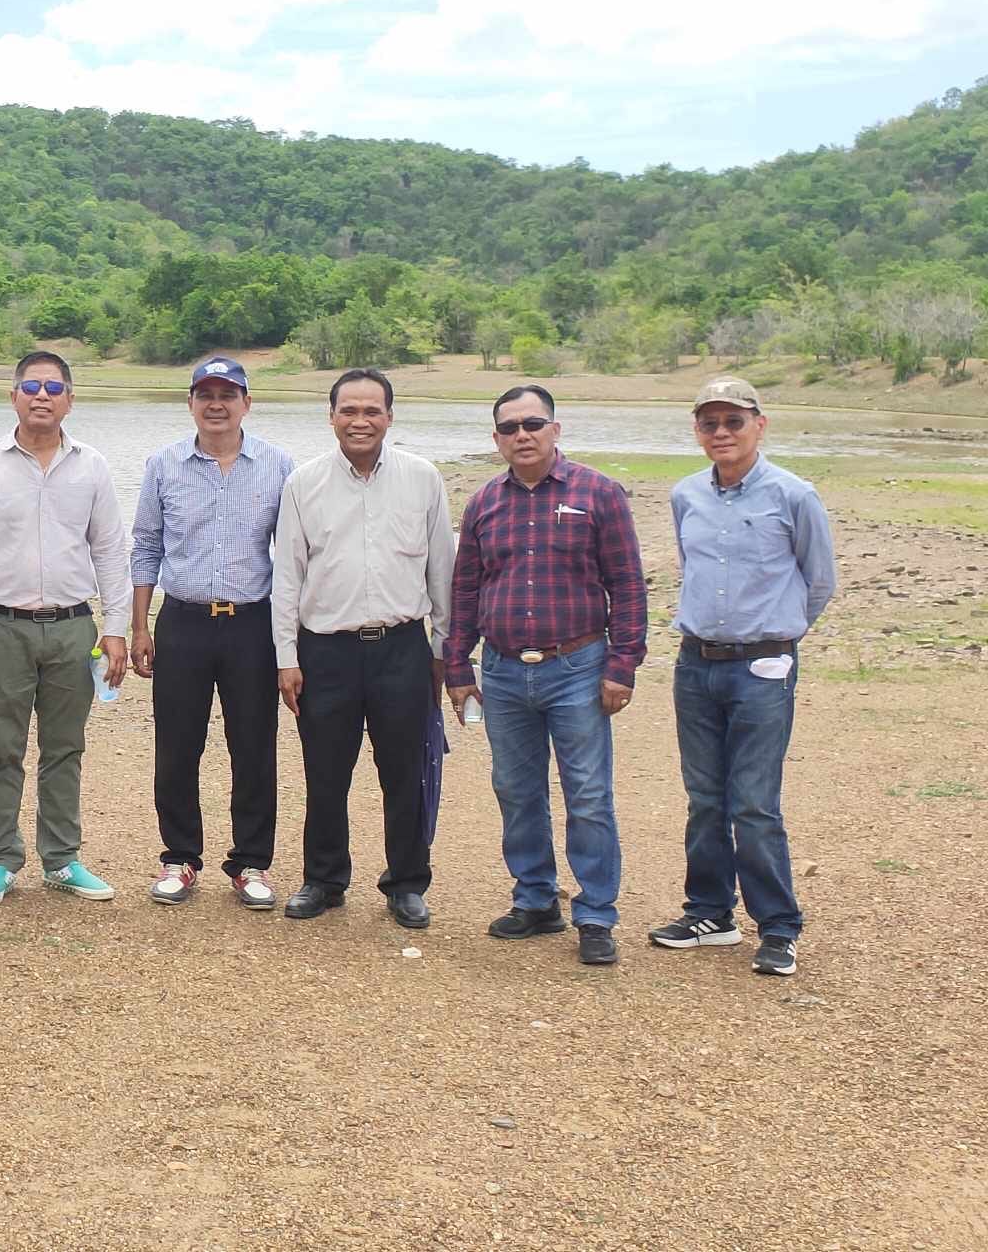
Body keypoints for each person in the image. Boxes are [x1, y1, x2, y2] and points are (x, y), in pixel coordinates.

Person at [443, 385, 647, 967]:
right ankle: (535, 899)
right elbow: (466, 589)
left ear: (556, 429)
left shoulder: (598, 493)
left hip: (578, 667)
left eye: (533, 424)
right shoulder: (484, 503)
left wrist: (623, 664)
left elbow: (628, 584)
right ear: (496, 439)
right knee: (516, 789)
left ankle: (596, 914)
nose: (522, 435)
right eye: (509, 428)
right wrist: (458, 665)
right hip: (504, 671)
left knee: (588, 794)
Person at [651, 376, 837, 978]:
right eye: (709, 423)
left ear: (760, 424)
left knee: (754, 803)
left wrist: (777, 639)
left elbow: (819, 582)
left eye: (733, 421)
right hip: (696, 663)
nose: (722, 432)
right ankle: (710, 912)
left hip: (763, 668)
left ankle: (778, 926)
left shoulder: (794, 495)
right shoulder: (686, 495)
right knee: (705, 798)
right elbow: (692, 567)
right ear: (697, 430)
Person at [0, 351, 130, 907]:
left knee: (64, 748)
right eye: (31, 387)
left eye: (53, 387)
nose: (41, 396)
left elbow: (109, 551)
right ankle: (1, 858)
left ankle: (62, 859)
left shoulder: (92, 466)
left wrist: (116, 628)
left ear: (70, 399)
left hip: (73, 628)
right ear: (13, 397)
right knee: (2, 748)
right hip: (1, 627)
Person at [272, 368, 454, 929]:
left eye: (371, 410)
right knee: (326, 772)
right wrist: (286, 657)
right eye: (348, 410)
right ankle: (324, 879)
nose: (360, 421)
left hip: (402, 648)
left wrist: (443, 650)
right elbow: (288, 577)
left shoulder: (422, 478)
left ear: (389, 417)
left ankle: (407, 882)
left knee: (404, 772)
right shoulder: (304, 483)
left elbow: (442, 570)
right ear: (331, 417)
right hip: (326, 651)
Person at [129, 355, 295, 911]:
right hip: (183, 621)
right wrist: (139, 626)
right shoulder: (164, 464)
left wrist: (290, 639)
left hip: (252, 624)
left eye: (228, 395)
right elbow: (146, 547)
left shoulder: (278, 465)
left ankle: (251, 862)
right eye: (206, 395)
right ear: (191, 402)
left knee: (254, 746)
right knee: (177, 746)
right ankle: (180, 858)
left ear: (247, 403)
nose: (216, 405)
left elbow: (293, 555)